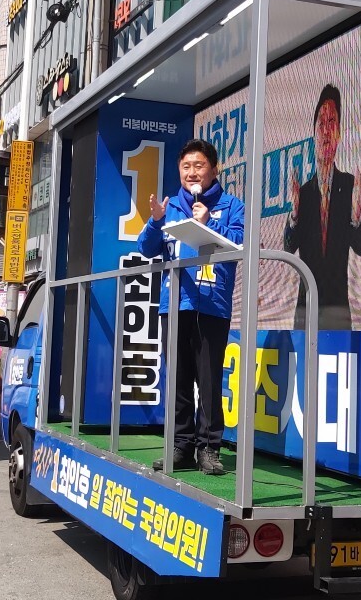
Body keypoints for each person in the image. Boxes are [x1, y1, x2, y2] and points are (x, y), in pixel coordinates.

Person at [137, 139, 244, 475]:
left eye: (199, 166)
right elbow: (146, 249)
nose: (192, 173)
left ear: (214, 169)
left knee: (209, 380)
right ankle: (181, 446)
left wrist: (209, 221)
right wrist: (155, 221)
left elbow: (240, 244)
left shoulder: (232, 205)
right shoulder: (169, 208)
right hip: (175, 304)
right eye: (186, 167)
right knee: (179, 379)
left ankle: (209, 449)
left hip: (212, 305)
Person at [284, 84, 361, 331]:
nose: (326, 130)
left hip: (338, 311)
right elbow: (288, 247)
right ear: (313, 133)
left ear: (339, 132)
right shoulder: (304, 193)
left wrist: (356, 214)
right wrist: (295, 214)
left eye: (332, 122)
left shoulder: (350, 185)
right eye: (321, 122)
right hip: (305, 308)